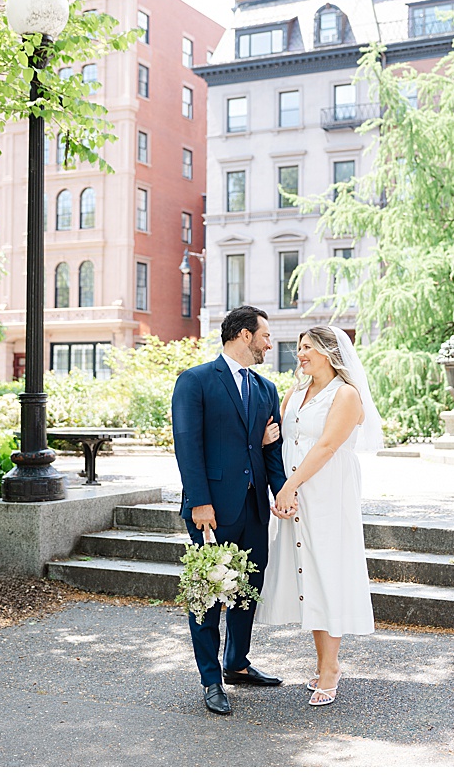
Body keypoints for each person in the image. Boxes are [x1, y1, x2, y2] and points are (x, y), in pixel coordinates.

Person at [171, 305, 288, 715]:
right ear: (242, 335)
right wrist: (200, 501)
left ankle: (237, 664)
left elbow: (270, 452)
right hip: (212, 510)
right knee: (207, 594)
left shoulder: (266, 388)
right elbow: (187, 445)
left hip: (256, 508)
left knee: (246, 593)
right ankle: (210, 680)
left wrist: (282, 494)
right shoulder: (196, 381)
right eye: (265, 335)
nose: (269, 343)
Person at [255, 326, 381, 707]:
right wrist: (277, 474)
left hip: (327, 493)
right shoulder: (294, 392)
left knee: (328, 573)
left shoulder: (346, 395)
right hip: (294, 493)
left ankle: (331, 669)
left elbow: (327, 446)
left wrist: (290, 486)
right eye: (298, 348)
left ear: (329, 351)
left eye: (307, 347)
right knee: (306, 574)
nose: (300, 354)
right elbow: (278, 437)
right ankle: (323, 662)